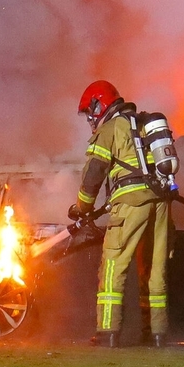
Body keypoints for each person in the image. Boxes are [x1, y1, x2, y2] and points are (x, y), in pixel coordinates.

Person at [70, 80, 173, 348]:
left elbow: (94, 173)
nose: (91, 119)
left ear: (98, 105)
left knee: (113, 265)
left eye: (90, 113)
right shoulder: (141, 124)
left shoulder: (111, 128)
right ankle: (157, 333)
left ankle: (109, 332)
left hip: (130, 202)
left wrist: (82, 208)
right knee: (154, 268)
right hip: (161, 202)